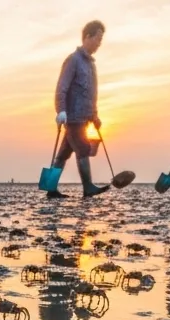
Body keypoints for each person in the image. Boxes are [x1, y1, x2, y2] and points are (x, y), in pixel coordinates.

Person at [50, 20, 108, 199]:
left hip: (84, 117)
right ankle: (88, 187)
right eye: (98, 38)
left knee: (63, 154)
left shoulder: (91, 65)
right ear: (87, 37)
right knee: (82, 148)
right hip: (73, 117)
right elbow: (62, 87)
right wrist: (61, 110)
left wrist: (95, 115)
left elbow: (92, 94)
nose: (99, 43)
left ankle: (50, 189)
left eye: (101, 40)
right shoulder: (73, 60)